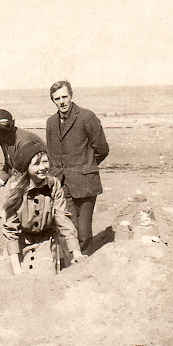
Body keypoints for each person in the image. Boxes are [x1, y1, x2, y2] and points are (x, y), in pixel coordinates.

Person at [2, 142, 85, 275]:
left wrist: (76, 252)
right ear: (26, 167)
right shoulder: (14, 189)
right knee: (7, 277)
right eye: (36, 164)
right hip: (20, 243)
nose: (43, 167)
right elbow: (10, 229)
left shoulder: (54, 185)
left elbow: (63, 218)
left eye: (45, 162)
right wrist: (16, 269)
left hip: (45, 243)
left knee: (46, 276)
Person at [46, 80, 109, 256]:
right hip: (62, 183)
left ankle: (85, 264)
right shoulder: (51, 122)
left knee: (84, 233)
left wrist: (86, 166)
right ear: (53, 101)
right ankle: (71, 265)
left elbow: (102, 149)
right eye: (57, 99)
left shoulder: (87, 117)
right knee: (68, 230)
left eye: (64, 97)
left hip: (85, 183)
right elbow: (51, 153)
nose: (61, 102)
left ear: (71, 95)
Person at [0, 109, 44, 194]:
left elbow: (33, 169)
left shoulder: (23, 141)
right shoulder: (3, 139)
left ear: (1, 129)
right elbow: (9, 165)